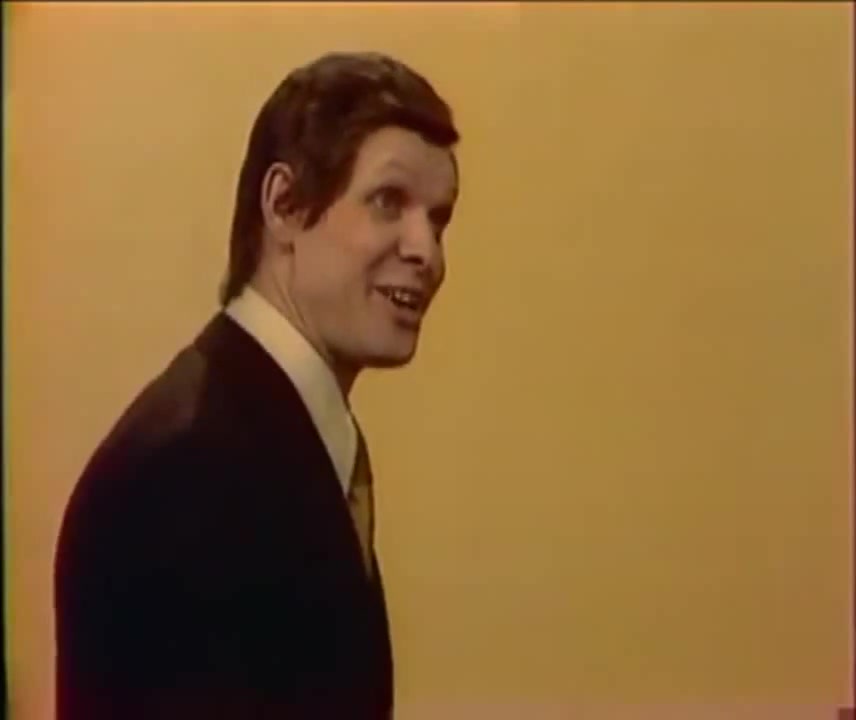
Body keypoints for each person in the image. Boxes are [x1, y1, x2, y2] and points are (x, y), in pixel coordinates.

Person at [53, 51, 460, 720]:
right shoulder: (191, 466)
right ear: (284, 205)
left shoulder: (264, 433)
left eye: (439, 219)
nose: (428, 252)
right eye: (389, 201)